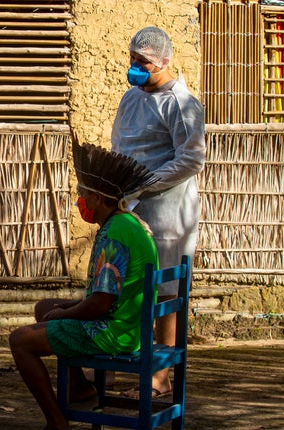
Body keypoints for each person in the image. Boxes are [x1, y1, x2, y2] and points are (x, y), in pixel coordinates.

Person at [9, 142, 159, 430]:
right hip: (127, 323)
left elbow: (101, 304)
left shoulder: (114, 234)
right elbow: (107, 294)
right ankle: (80, 390)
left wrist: (66, 313)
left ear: (99, 198)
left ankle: (57, 426)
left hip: (113, 333)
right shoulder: (126, 223)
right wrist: (65, 307)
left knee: (20, 340)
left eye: (83, 195)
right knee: (44, 307)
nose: (80, 201)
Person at [109, 26, 206, 398]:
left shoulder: (182, 104)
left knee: (165, 290)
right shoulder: (130, 99)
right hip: (129, 205)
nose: (135, 66)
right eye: (132, 59)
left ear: (164, 62)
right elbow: (120, 144)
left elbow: (192, 158)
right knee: (122, 282)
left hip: (168, 210)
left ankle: (160, 376)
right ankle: (115, 359)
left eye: (143, 62)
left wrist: (146, 183)